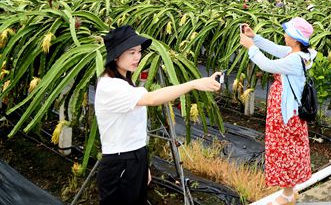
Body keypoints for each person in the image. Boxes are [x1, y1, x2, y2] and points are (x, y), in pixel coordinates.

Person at [95, 26, 221, 204]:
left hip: (134, 158)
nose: (137, 57)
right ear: (116, 55)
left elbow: (133, 131)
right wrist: (193, 84)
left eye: (138, 52)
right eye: (131, 52)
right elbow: (152, 98)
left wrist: (142, 165)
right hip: (120, 164)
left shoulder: (125, 81)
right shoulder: (111, 86)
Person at [239, 18, 316, 205]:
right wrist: (254, 37)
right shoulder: (303, 53)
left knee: (285, 152)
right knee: (290, 150)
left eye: (287, 33)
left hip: (286, 114)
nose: (284, 35)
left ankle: (287, 195)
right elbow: (274, 48)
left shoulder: (295, 61)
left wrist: (251, 48)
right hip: (287, 111)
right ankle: (290, 189)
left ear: (295, 38)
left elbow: (267, 65)